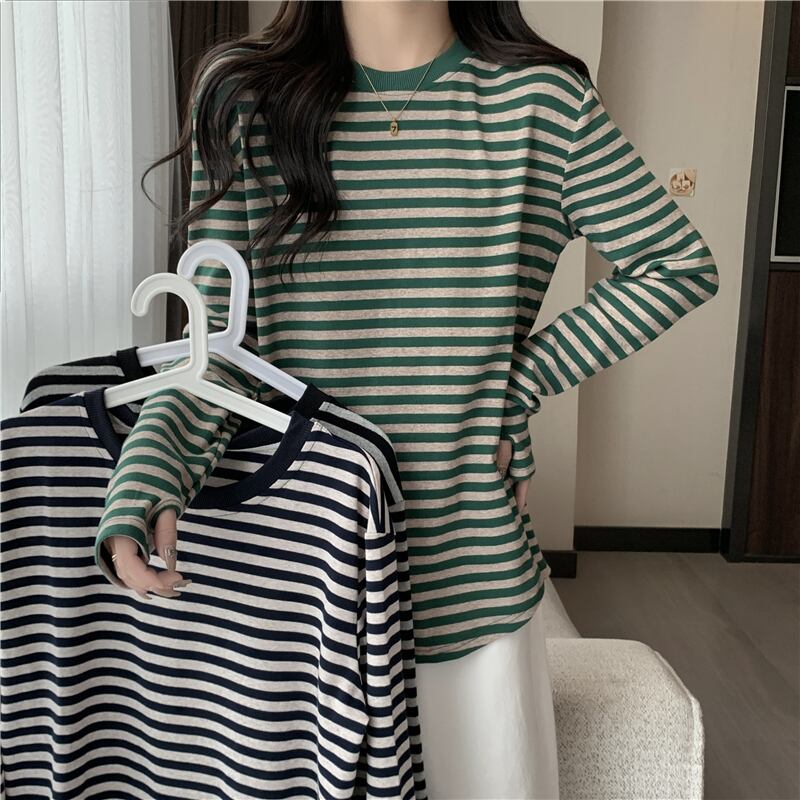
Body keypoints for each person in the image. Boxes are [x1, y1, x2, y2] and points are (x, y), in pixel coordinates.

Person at [95, 1, 720, 797]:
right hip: (293, 585)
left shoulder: (543, 103)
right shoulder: (241, 94)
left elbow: (676, 266)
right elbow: (216, 348)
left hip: (464, 591)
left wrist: (515, 387)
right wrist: (148, 469)